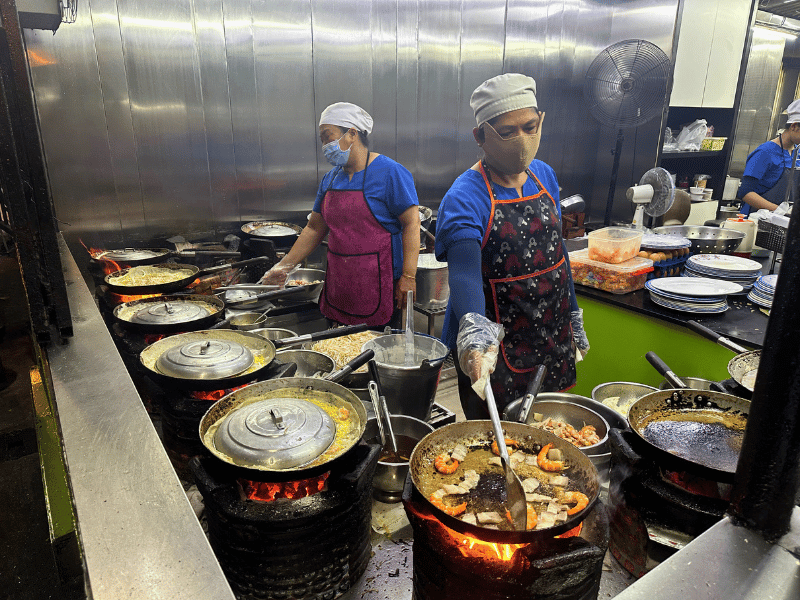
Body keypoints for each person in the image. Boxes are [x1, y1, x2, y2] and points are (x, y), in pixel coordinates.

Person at [434, 73, 589, 419]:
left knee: (550, 434)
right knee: (494, 447)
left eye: (530, 127)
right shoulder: (465, 197)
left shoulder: (544, 175)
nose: (522, 139)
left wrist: (573, 314)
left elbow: (557, 253)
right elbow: (465, 278)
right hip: (495, 349)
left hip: (550, 334)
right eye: (507, 132)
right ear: (480, 136)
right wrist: (476, 342)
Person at [260, 102, 420, 328]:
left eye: (328, 137)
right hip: (339, 285)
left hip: (379, 285)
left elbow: (412, 224)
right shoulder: (331, 179)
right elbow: (314, 228)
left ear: (352, 133)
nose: (325, 145)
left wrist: (409, 276)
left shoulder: (391, 172)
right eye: (322, 139)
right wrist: (284, 266)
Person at [737, 99, 800, 216]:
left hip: (783, 222)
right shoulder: (765, 152)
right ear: (794, 126)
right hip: (757, 220)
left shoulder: (798, 152)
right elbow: (745, 192)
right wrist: (781, 212)